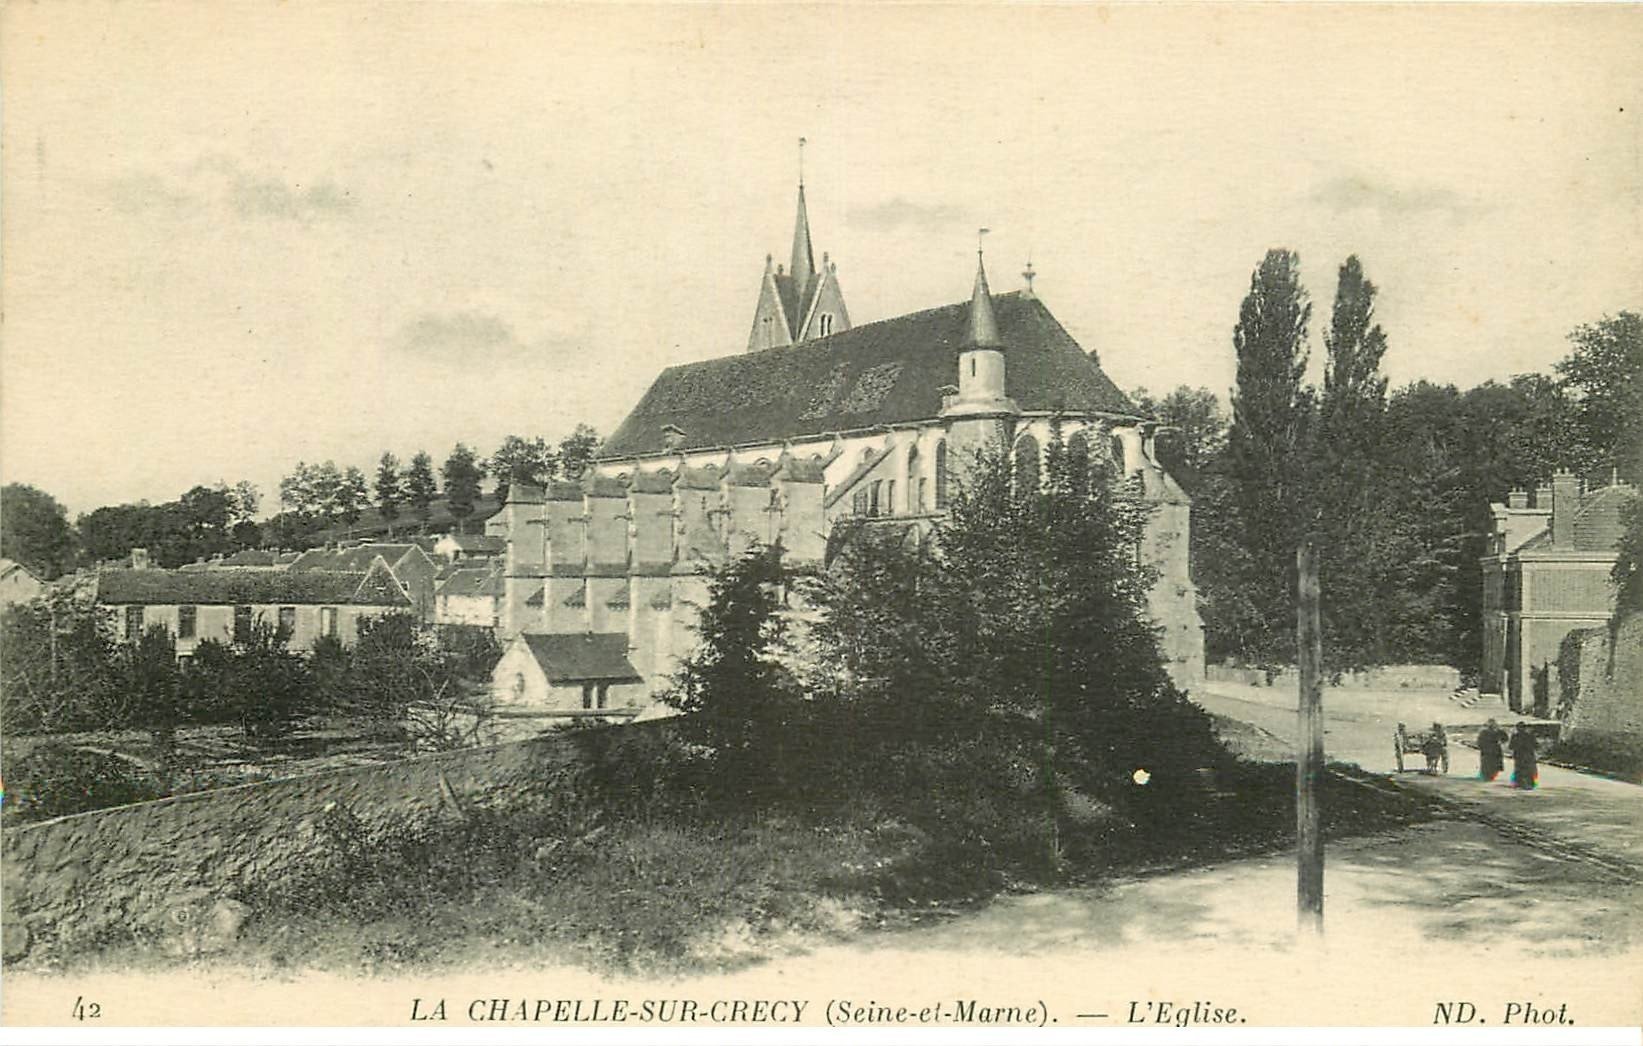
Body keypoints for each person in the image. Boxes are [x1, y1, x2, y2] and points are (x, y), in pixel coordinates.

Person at [1510, 721, 1539, 790]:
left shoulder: (1516, 736)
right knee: (1527, 770)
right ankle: (1527, 784)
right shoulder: (1529, 736)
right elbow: (1536, 746)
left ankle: (1520, 783)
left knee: (1521, 770)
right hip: (1527, 756)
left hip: (1521, 756)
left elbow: (1510, 746)